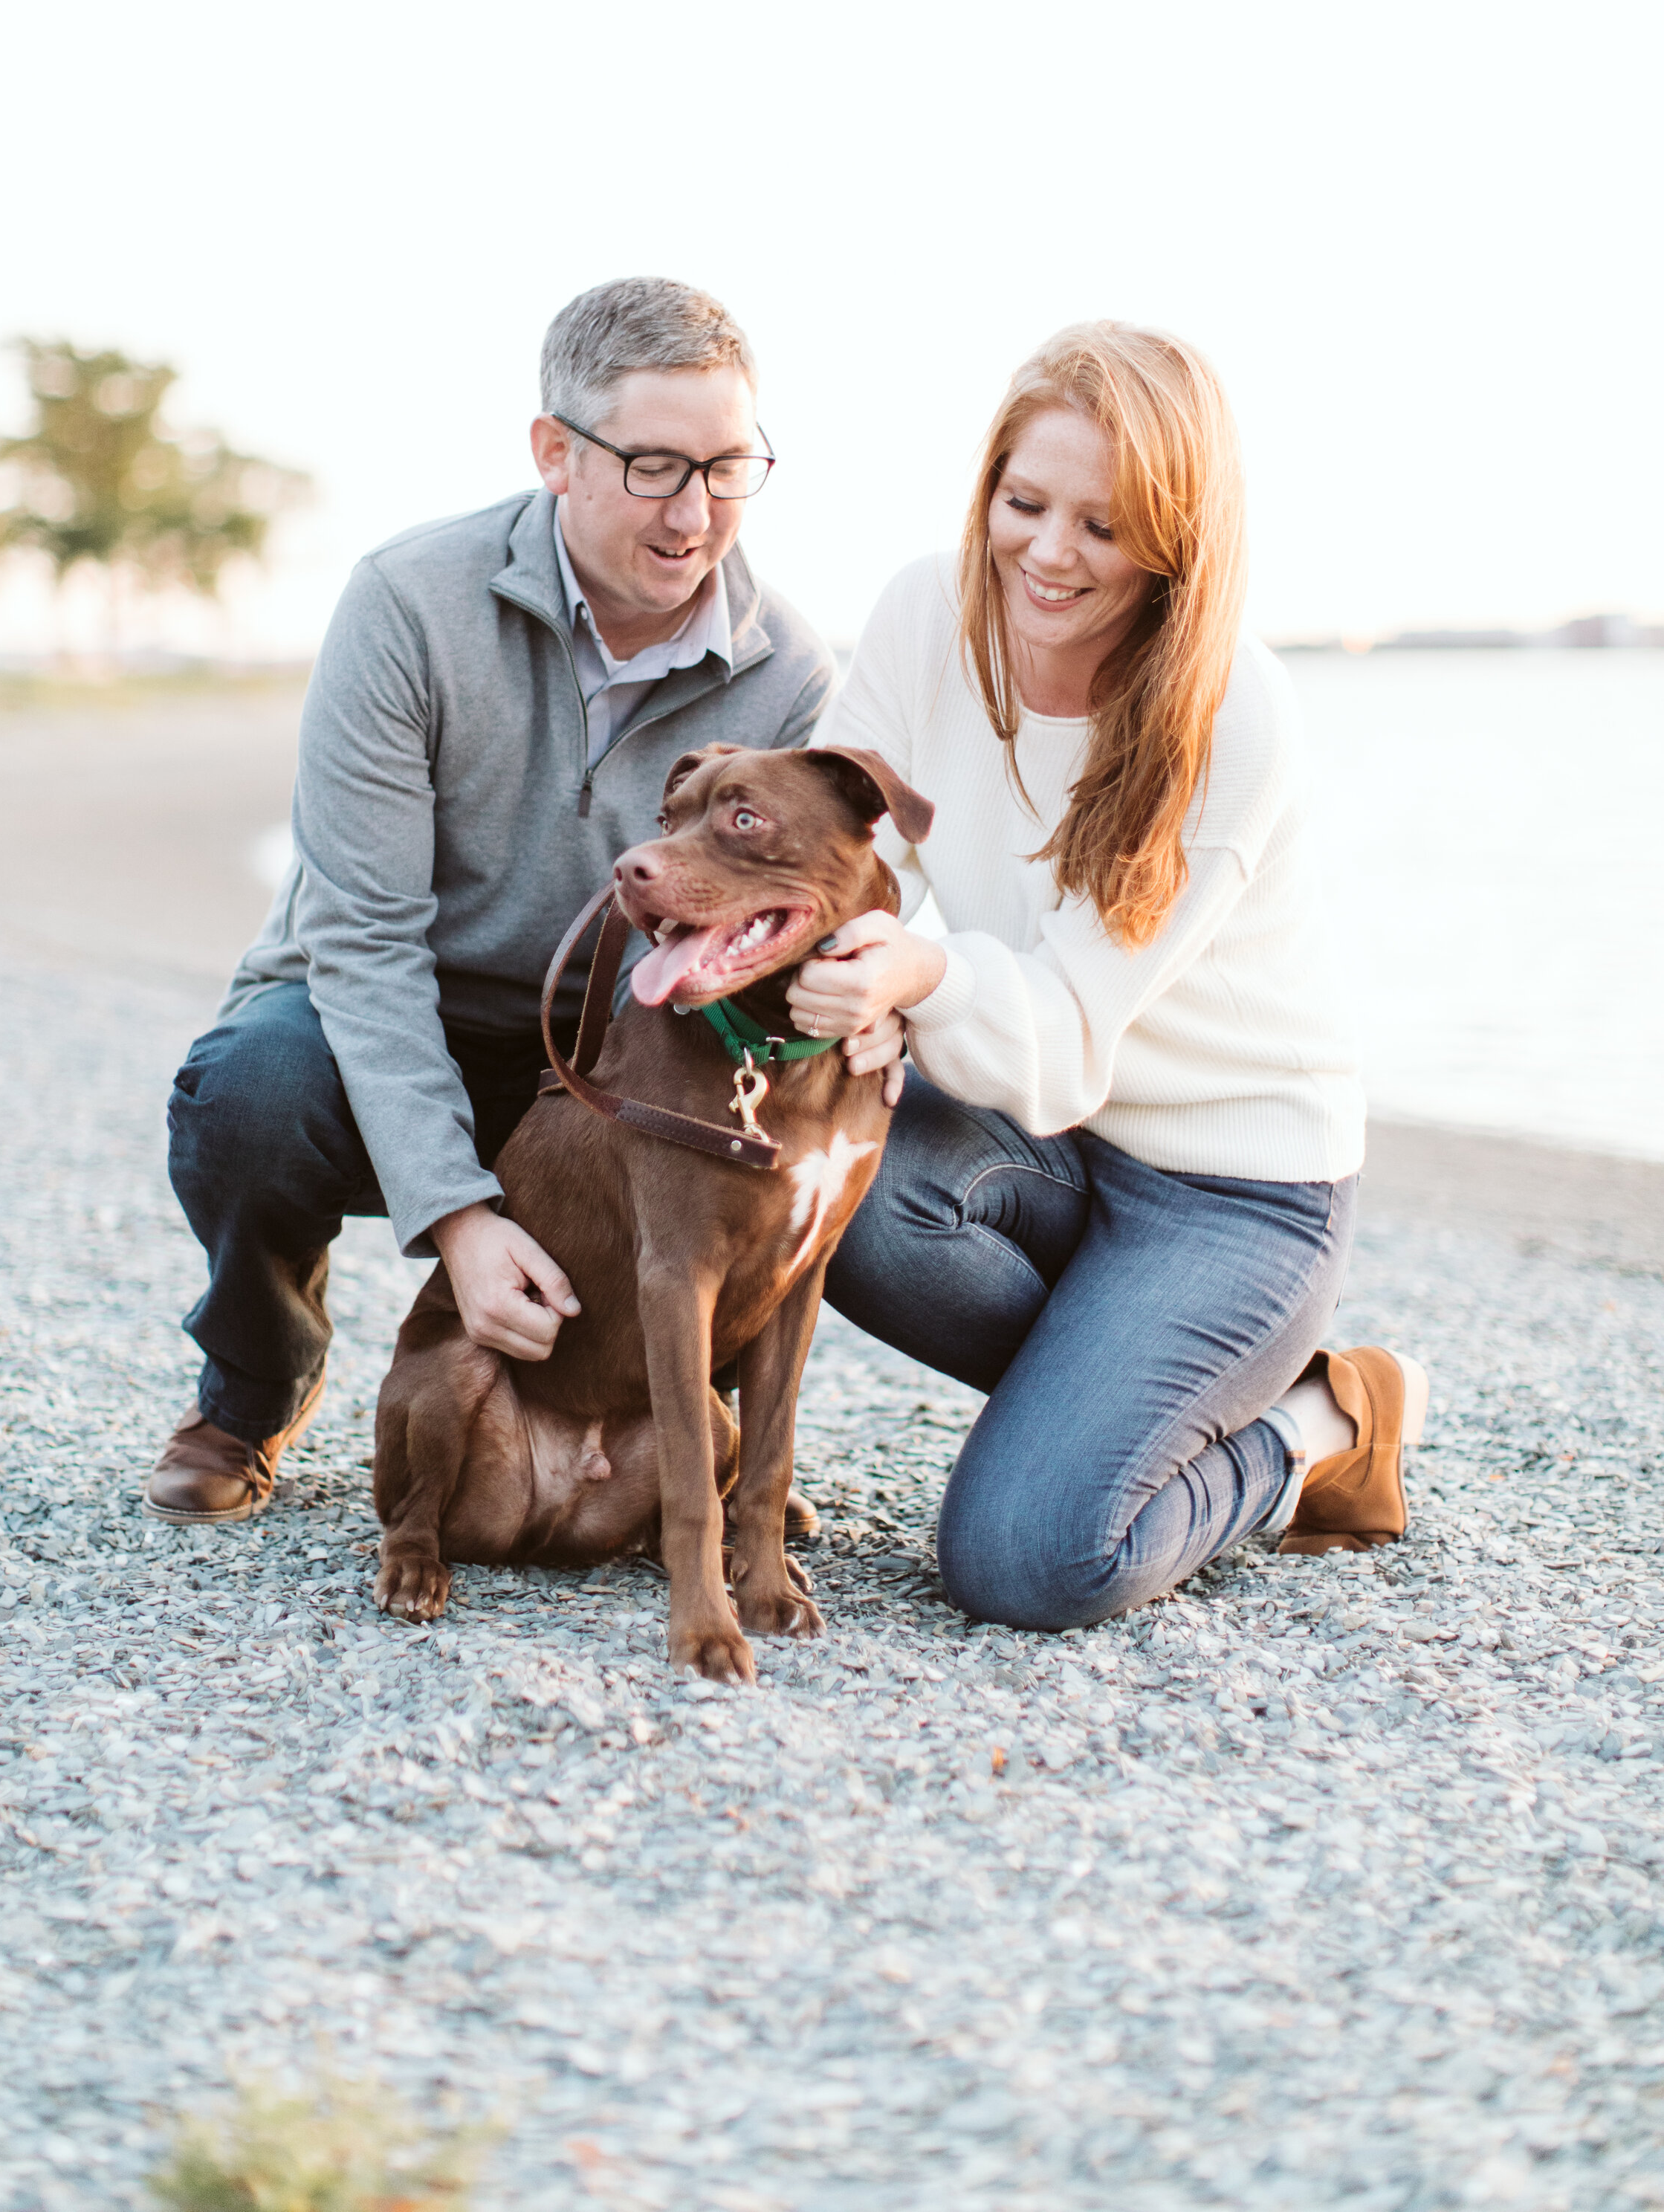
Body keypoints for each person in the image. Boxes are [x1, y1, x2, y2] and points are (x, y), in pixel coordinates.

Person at [147, 277, 838, 1521]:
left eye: (730, 468)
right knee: (244, 1097)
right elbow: (360, 941)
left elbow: (781, 932)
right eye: (656, 466)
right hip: (392, 1004)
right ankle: (253, 1386)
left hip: (621, 1041)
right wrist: (460, 1219)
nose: (696, 515)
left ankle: (680, 1415)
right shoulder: (409, 601)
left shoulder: (790, 672)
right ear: (555, 453)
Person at [786, 320, 1428, 1631]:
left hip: (1235, 1195)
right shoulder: (926, 609)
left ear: (1176, 543)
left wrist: (912, 970)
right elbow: (841, 850)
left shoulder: (1229, 714)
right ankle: (1116, 1403)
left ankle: (1310, 1419)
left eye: (1103, 525)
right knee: (834, 1180)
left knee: (1029, 1558)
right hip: (1048, 1143)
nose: (1048, 552)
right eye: (1025, 503)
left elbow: (1068, 1030)